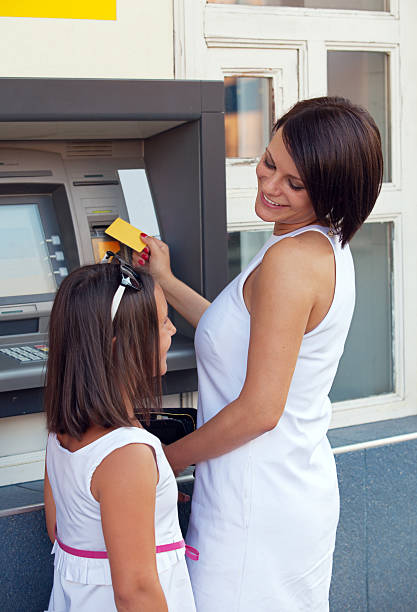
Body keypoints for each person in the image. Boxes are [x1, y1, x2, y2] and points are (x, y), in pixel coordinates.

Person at [138, 96, 383, 611]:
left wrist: (161, 464)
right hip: (279, 485)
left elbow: (259, 411)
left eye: (295, 184)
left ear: (332, 189)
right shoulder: (318, 245)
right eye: (270, 163)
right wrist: (166, 281)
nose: (270, 186)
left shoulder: (291, 264)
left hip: (256, 505)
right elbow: (237, 338)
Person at [43, 260, 196, 612]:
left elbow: (59, 529)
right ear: (119, 347)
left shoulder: (61, 429)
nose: (172, 329)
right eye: (161, 323)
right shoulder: (127, 454)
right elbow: (135, 593)